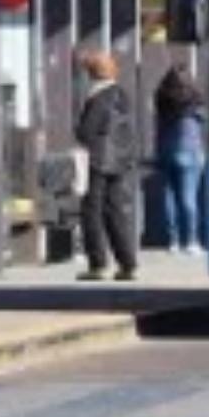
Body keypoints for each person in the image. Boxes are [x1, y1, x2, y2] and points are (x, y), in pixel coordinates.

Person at [75, 49, 137, 282]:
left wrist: (80, 132)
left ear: (92, 73)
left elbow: (86, 131)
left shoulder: (98, 97)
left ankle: (97, 264)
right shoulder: (122, 94)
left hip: (98, 161)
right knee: (116, 212)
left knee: (91, 211)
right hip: (119, 161)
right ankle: (127, 263)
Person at [154, 64, 207, 255]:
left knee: (169, 197)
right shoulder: (195, 98)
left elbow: (159, 125)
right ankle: (192, 241)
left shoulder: (162, 98)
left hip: (166, 150)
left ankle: (173, 241)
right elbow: (204, 121)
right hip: (190, 150)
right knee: (189, 198)